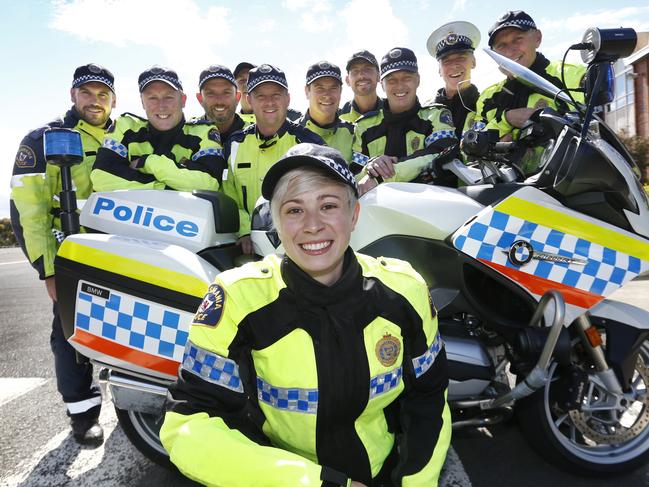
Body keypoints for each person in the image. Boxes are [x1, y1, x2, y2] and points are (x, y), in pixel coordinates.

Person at [160, 143, 451, 487]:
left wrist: (414, 483)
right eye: (294, 210)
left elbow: (429, 398)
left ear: (354, 215)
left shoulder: (405, 289)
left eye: (328, 205)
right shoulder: (237, 298)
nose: (312, 225)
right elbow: (189, 425)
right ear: (276, 223)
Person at [10, 63, 117, 445]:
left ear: (113, 99)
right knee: (71, 332)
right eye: (86, 93)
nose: (94, 101)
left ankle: (133, 399)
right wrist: (48, 270)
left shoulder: (124, 135)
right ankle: (83, 413)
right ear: (73, 95)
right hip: (71, 254)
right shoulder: (45, 138)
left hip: (120, 252)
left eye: (102, 94)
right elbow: (29, 211)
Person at [221, 64, 324, 254]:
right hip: (250, 248)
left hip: (302, 245)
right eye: (261, 96)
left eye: (276, 95)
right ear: (250, 100)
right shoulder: (235, 143)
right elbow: (230, 195)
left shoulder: (310, 143)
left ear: (288, 99)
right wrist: (244, 231)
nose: (269, 102)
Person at [92, 66, 223, 192]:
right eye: (152, 98)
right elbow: (101, 176)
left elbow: (210, 183)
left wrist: (148, 162)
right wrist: (163, 188)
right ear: (143, 102)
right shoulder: (125, 127)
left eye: (169, 97)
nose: (161, 106)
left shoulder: (203, 132)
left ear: (183, 100)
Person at [352, 47, 458, 194]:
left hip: (431, 205)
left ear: (418, 80)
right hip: (378, 211)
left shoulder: (436, 116)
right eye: (391, 80)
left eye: (406, 77)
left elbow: (443, 153)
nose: (400, 85)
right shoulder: (364, 127)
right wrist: (370, 166)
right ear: (382, 84)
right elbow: (353, 178)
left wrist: (381, 176)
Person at [474, 10, 586, 141]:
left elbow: (597, 126)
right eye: (501, 46)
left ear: (537, 38)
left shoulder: (573, 75)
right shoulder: (487, 98)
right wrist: (507, 119)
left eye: (517, 40)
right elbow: (468, 149)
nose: (510, 52)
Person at [427, 21, 481, 139]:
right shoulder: (426, 113)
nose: (454, 66)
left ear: (473, 62)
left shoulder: (487, 106)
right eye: (446, 61)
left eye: (461, 58)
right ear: (439, 70)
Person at [297, 61, 354, 162]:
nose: (327, 95)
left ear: (340, 91)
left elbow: (361, 169)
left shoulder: (355, 133)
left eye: (333, 88)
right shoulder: (291, 133)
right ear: (307, 91)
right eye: (320, 88)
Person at [196, 64, 249, 144]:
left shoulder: (255, 135)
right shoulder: (185, 134)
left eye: (226, 93)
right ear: (200, 99)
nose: (219, 101)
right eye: (211, 93)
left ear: (237, 97)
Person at [339, 50, 383, 123]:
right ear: (347, 80)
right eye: (355, 71)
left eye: (367, 69)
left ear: (378, 76)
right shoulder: (337, 119)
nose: (361, 75)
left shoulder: (393, 112)